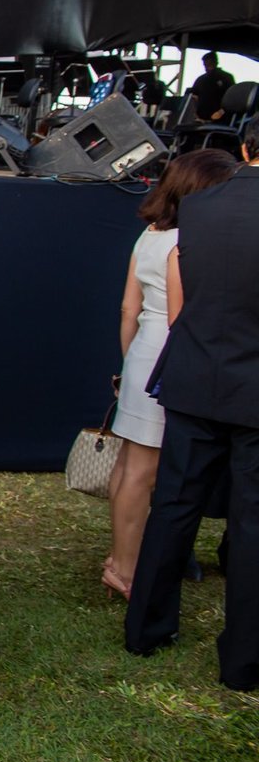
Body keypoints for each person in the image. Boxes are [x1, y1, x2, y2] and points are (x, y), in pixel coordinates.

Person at [125, 122, 259, 691]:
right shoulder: (205, 207)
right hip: (248, 386)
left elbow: (189, 297)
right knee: (252, 521)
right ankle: (244, 661)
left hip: (195, 376)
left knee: (174, 504)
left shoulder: (199, 207)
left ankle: (146, 629)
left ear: (246, 148)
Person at [103, 149, 238, 598]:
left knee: (130, 464)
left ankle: (122, 559)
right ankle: (126, 569)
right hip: (172, 358)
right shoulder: (188, 241)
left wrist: (130, 364)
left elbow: (129, 309)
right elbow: (184, 316)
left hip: (144, 351)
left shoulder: (150, 234)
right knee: (146, 472)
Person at [189, 52, 234, 122]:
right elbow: (192, 96)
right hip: (201, 118)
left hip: (220, 118)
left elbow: (231, 99)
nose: (207, 67)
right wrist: (194, 113)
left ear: (216, 62)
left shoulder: (226, 77)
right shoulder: (200, 79)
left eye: (210, 64)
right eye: (205, 65)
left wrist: (221, 112)